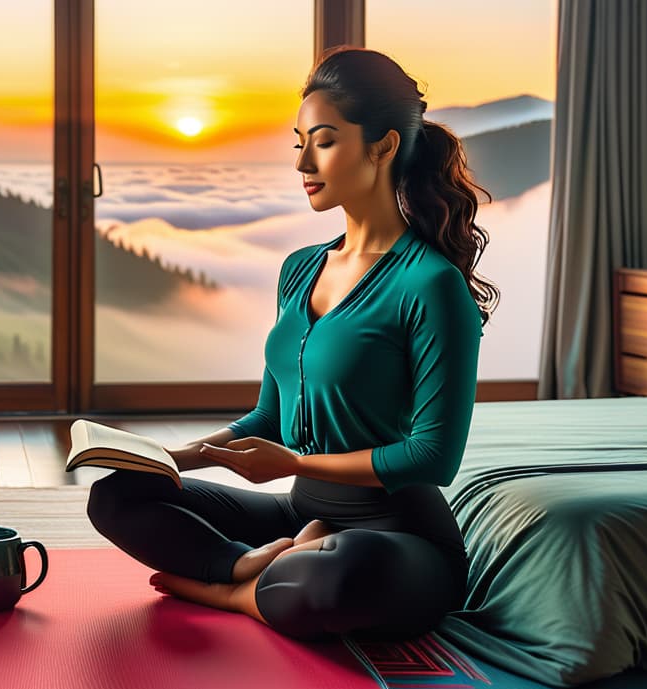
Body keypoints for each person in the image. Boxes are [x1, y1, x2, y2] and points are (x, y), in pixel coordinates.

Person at [86, 45, 500, 640]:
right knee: (116, 496)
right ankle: (247, 569)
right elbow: (270, 417)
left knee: (336, 577)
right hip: (298, 516)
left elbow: (434, 457)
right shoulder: (299, 269)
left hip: (394, 537)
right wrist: (168, 459)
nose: (302, 160)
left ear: (382, 146)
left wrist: (295, 463)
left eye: (324, 140)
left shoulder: (430, 285)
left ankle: (227, 592)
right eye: (298, 140)